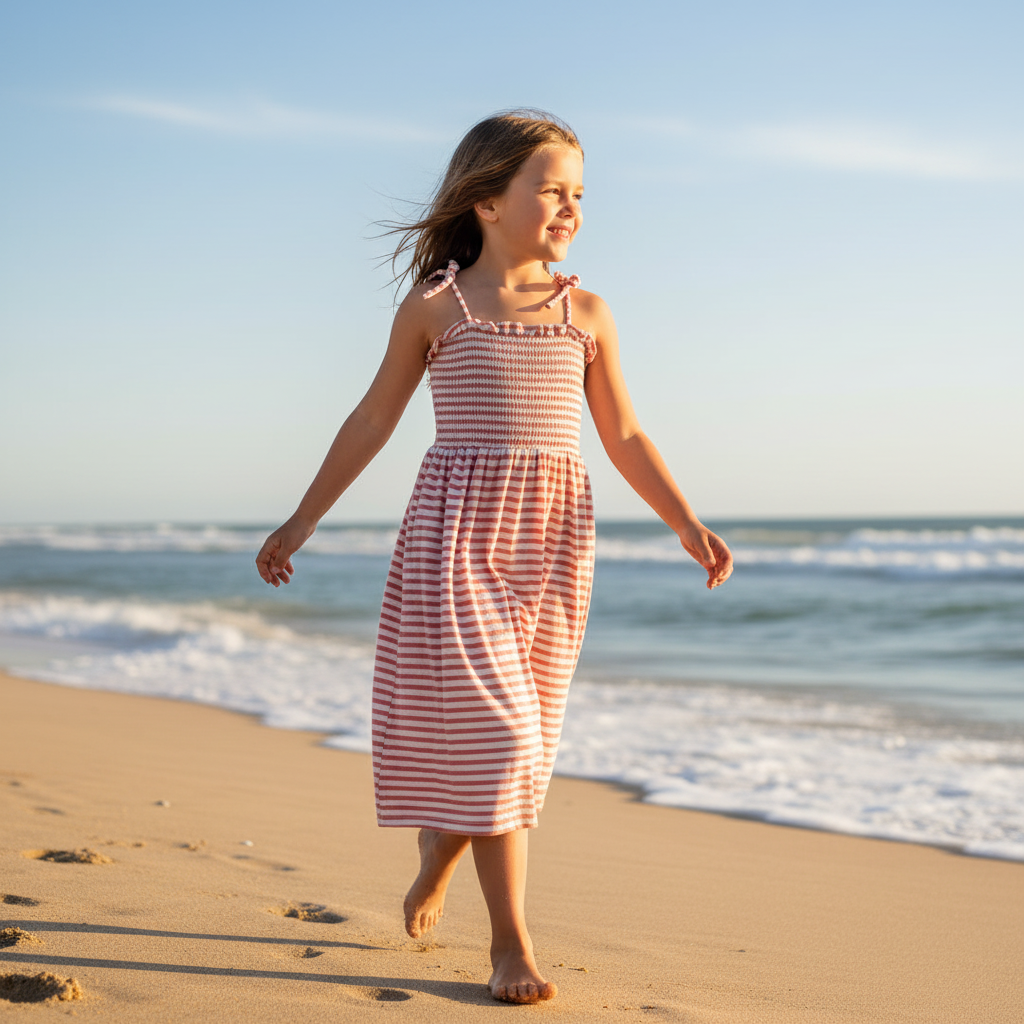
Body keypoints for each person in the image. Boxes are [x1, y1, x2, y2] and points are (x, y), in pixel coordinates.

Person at [256, 109, 733, 1005]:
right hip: (458, 544)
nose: (571, 207)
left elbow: (624, 434)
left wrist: (684, 521)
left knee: (524, 739)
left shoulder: (587, 313)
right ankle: (510, 943)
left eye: (579, 192)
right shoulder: (438, 307)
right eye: (551, 189)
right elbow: (373, 419)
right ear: (486, 201)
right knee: (506, 737)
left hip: (552, 550)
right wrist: (303, 519)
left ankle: (443, 846)